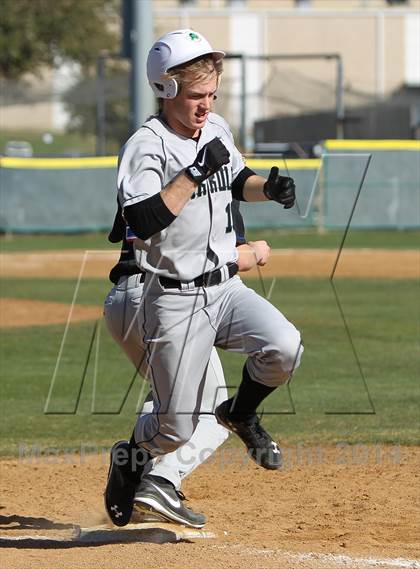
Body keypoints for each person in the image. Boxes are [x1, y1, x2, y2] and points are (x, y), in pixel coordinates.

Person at [104, 28, 303, 528]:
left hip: (225, 287)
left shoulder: (215, 129)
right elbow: (143, 221)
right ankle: (130, 458)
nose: (205, 106)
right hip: (172, 296)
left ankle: (241, 412)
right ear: (166, 89)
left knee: (285, 346)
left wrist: (269, 187)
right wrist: (192, 173)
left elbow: (238, 180)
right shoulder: (146, 146)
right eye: (196, 96)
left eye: (212, 94)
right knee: (174, 427)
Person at [104, 201, 271, 527]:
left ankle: (133, 472)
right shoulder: (212, 182)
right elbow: (233, 258)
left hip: (122, 302)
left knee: (168, 398)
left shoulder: (151, 171)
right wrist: (257, 250)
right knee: (212, 413)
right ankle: (161, 481)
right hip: (167, 304)